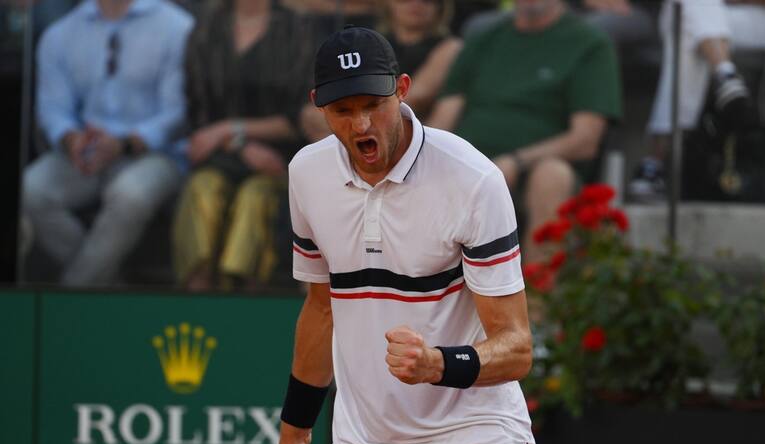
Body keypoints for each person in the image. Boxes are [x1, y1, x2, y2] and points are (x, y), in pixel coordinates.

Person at [275, 26, 536, 444]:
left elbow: (517, 348)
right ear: (318, 106)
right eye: (343, 111)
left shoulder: (474, 181)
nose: (361, 125)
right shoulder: (306, 174)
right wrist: (295, 433)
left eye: (374, 103)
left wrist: (438, 363)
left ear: (403, 89)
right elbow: (321, 309)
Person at [428, 0, 622, 261]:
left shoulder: (589, 43)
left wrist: (515, 162)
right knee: (422, 164)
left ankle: (537, 295)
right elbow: (443, 119)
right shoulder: (483, 39)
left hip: (535, 168)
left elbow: (586, 139)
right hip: (471, 163)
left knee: (552, 175)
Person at [21, 0, 193, 286]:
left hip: (154, 154)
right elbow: (52, 109)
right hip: (84, 152)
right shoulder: (60, 33)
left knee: (129, 195)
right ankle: (108, 285)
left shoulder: (177, 27)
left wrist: (126, 143)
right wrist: (71, 138)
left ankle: (73, 291)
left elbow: (178, 114)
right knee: (32, 190)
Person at [173, 0, 317, 291]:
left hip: (279, 157)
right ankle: (194, 297)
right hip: (218, 155)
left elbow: (304, 116)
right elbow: (196, 113)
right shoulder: (206, 29)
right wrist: (238, 144)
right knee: (201, 189)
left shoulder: (296, 30)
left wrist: (232, 130)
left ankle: (247, 304)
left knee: (256, 197)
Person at [629, 0, 765, 200]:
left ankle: (657, 160)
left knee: (688, 24)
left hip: (757, 18)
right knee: (686, 15)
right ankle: (725, 75)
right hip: (696, 15)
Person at [300, 0, 462, 142]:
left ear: (440, 7)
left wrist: (346, 113)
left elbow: (416, 97)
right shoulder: (370, 41)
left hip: (416, 125)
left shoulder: (449, 46)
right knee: (312, 115)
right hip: (366, 112)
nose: (416, 4)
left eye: (428, 0)